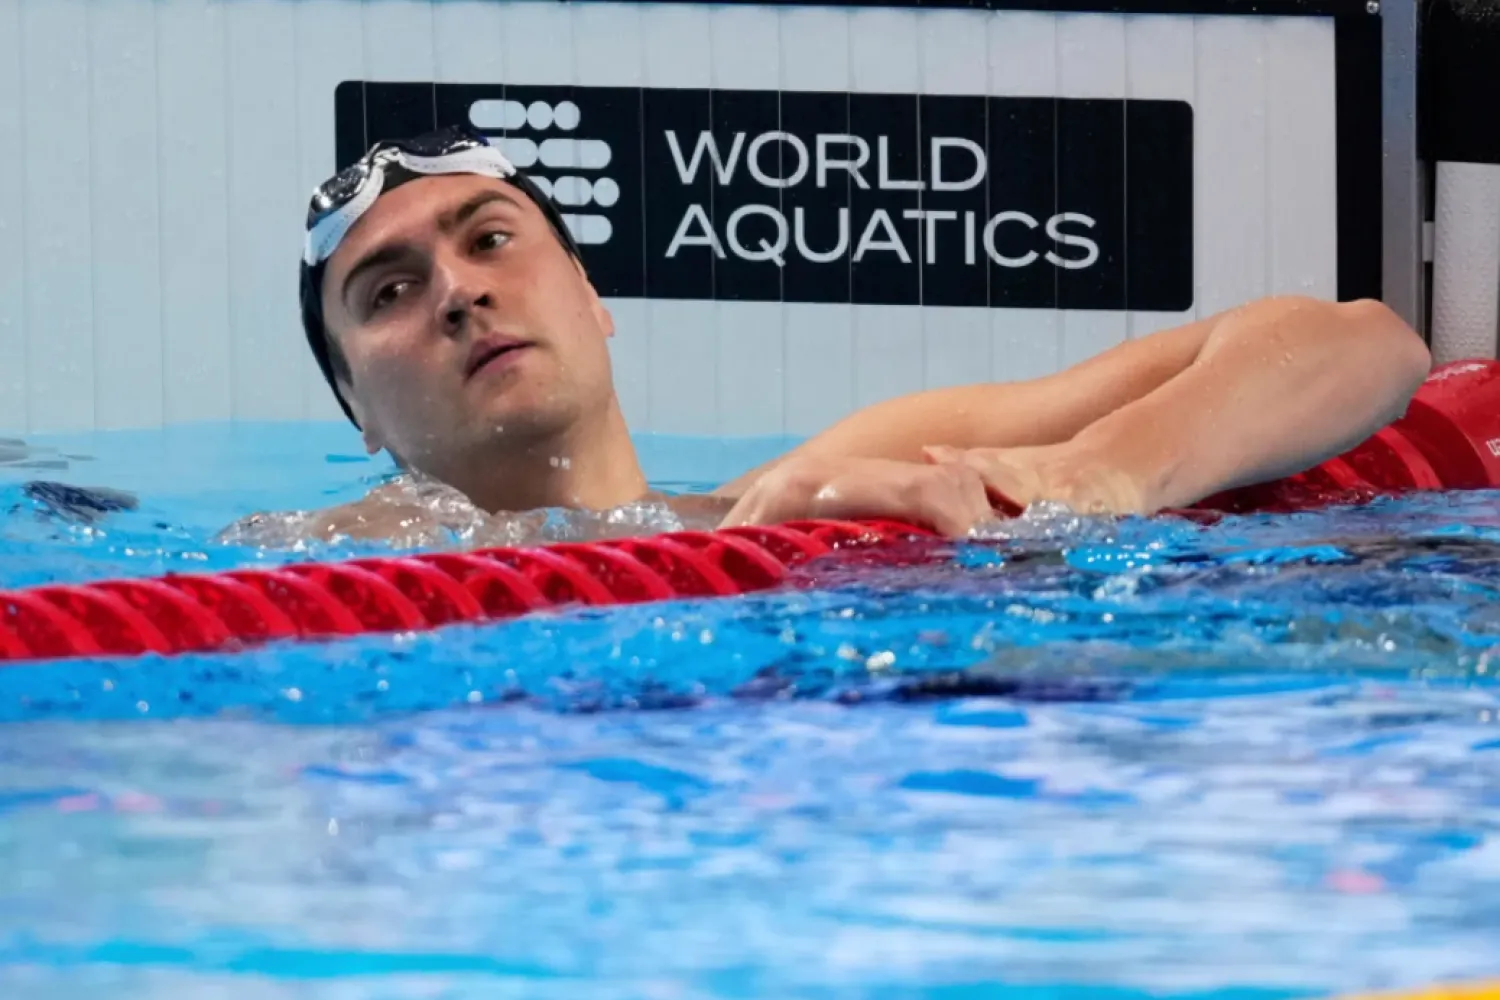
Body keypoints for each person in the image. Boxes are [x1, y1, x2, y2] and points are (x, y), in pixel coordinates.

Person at [224, 125, 1432, 547]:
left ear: (596, 300)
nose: (457, 292)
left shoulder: (825, 476)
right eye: (386, 292)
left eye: (490, 238)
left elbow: (1364, 346)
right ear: (360, 421)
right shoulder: (349, 552)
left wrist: (1093, 471)